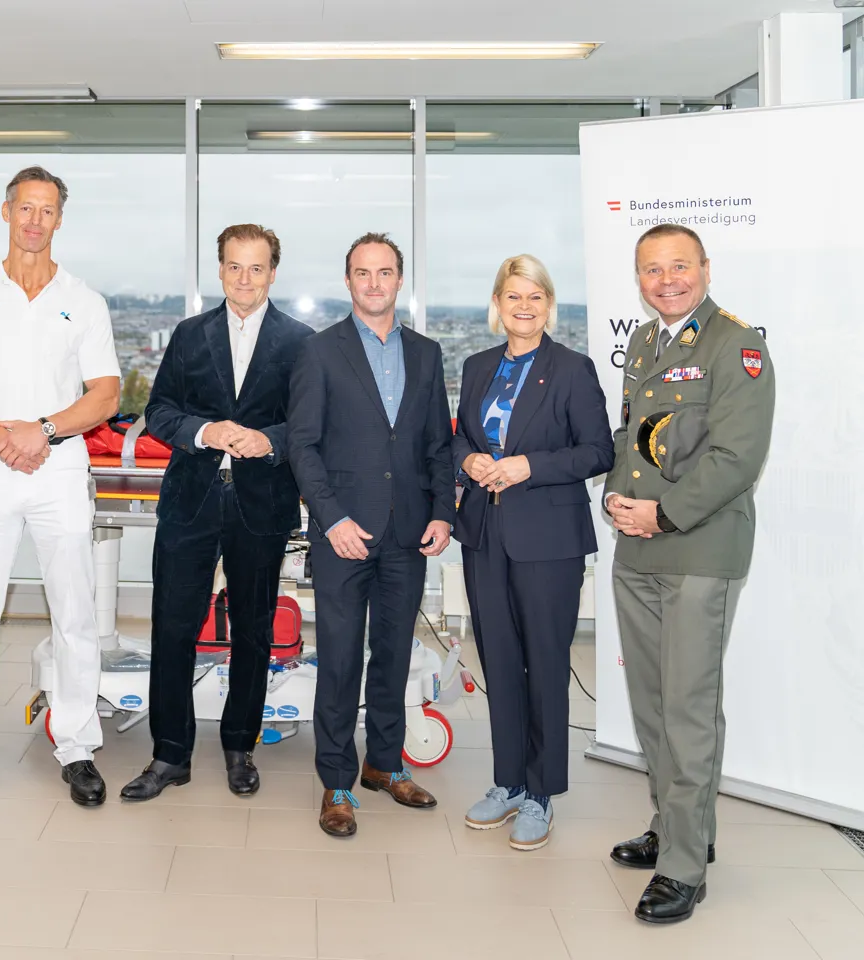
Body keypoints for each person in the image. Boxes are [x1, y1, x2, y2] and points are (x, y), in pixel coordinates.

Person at [0, 165, 121, 808]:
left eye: (47, 210)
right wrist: (4, 438)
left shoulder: (84, 300)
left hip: (59, 467)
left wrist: (41, 431)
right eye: (25, 208)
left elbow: (106, 395)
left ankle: (78, 746)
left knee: (75, 611)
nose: (35, 220)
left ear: (60, 220)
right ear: (6, 213)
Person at [605, 224, 775, 923]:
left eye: (679, 266)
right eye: (652, 269)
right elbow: (632, 437)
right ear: (639, 278)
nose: (666, 279)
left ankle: (683, 868)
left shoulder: (737, 345)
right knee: (651, 704)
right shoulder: (647, 342)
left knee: (689, 708)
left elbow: (737, 457)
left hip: (698, 547)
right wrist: (617, 497)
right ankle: (680, 828)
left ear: (705, 268)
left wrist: (661, 515)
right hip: (638, 546)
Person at [120, 224, 314, 801]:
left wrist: (268, 440)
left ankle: (239, 746)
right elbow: (158, 412)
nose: (245, 279)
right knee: (173, 626)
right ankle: (169, 754)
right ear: (220, 270)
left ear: (273, 272)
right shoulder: (187, 334)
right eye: (234, 266)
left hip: (262, 503)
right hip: (190, 501)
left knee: (252, 631)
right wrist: (204, 431)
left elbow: (308, 424)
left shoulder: (301, 341)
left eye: (256, 268)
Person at [287, 232, 455, 838]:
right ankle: (336, 781)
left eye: (385, 273)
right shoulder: (320, 351)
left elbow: (439, 444)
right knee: (338, 660)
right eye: (363, 273)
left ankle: (385, 765)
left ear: (400, 280)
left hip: (409, 532)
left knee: (392, 655)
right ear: (348, 280)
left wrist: (443, 513)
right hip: (343, 535)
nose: (375, 283)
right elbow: (302, 445)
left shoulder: (429, 353)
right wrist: (330, 518)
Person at [451, 254, 613, 851]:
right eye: (513, 296)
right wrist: (467, 460)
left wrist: (527, 466)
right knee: (498, 661)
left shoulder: (571, 370)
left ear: (549, 305)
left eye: (536, 297)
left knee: (544, 664)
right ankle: (507, 782)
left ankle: (542, 794)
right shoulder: (476, 367)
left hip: (548, 541)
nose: (524, 306)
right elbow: (461, 438)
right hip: (484, 535)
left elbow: (598, 451)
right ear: (498, 304)